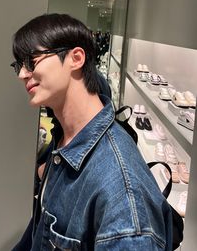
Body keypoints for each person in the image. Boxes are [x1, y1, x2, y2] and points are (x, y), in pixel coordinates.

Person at [10, 13, 172, 251]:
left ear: (76, 58)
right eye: (19, 65)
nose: (22, 74)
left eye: (31, 61)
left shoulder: (123, 193)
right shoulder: (65, 140)